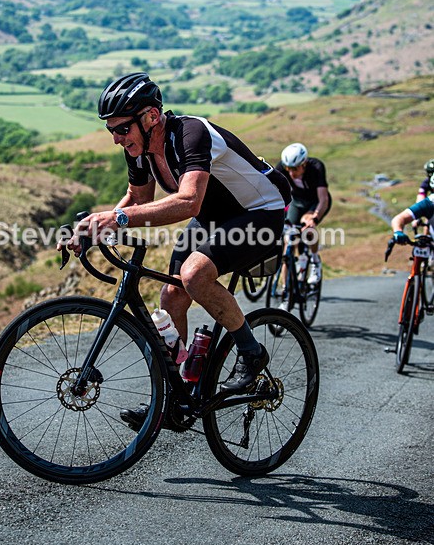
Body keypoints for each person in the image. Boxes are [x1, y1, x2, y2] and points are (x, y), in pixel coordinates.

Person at [61, 72, 291, 430]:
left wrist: (116, 218)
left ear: (151, 117)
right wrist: (94, 229)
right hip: (213, 218)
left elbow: (188, 202)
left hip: (261, 212)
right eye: (110, 130)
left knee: (194, 275)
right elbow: (138, 199)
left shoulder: (190, 134)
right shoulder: (139, 151)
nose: (116, 138)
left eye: (122, 129)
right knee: (171, 296)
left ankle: (251, 352)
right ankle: (175, 399)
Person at [275, 142, 332, 286]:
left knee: (308, 228)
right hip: (297, 201)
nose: (291, 173)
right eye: (288, 168)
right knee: (289, 239)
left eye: (295, 169)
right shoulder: (282, 167)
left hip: (316, 202)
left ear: (304, 164)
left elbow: (323, 199)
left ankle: (315, 261)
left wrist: (315, 218)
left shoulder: (316, 167)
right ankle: (286, 290)